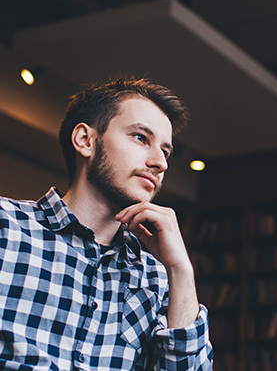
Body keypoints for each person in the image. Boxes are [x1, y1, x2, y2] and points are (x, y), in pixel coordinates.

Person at [0, 78, 213, 369]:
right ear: (85, 141)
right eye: (141, 137)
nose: (160, 163)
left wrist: (181, 271)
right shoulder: (7, 227)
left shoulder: (156, 280)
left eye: (165, 151)